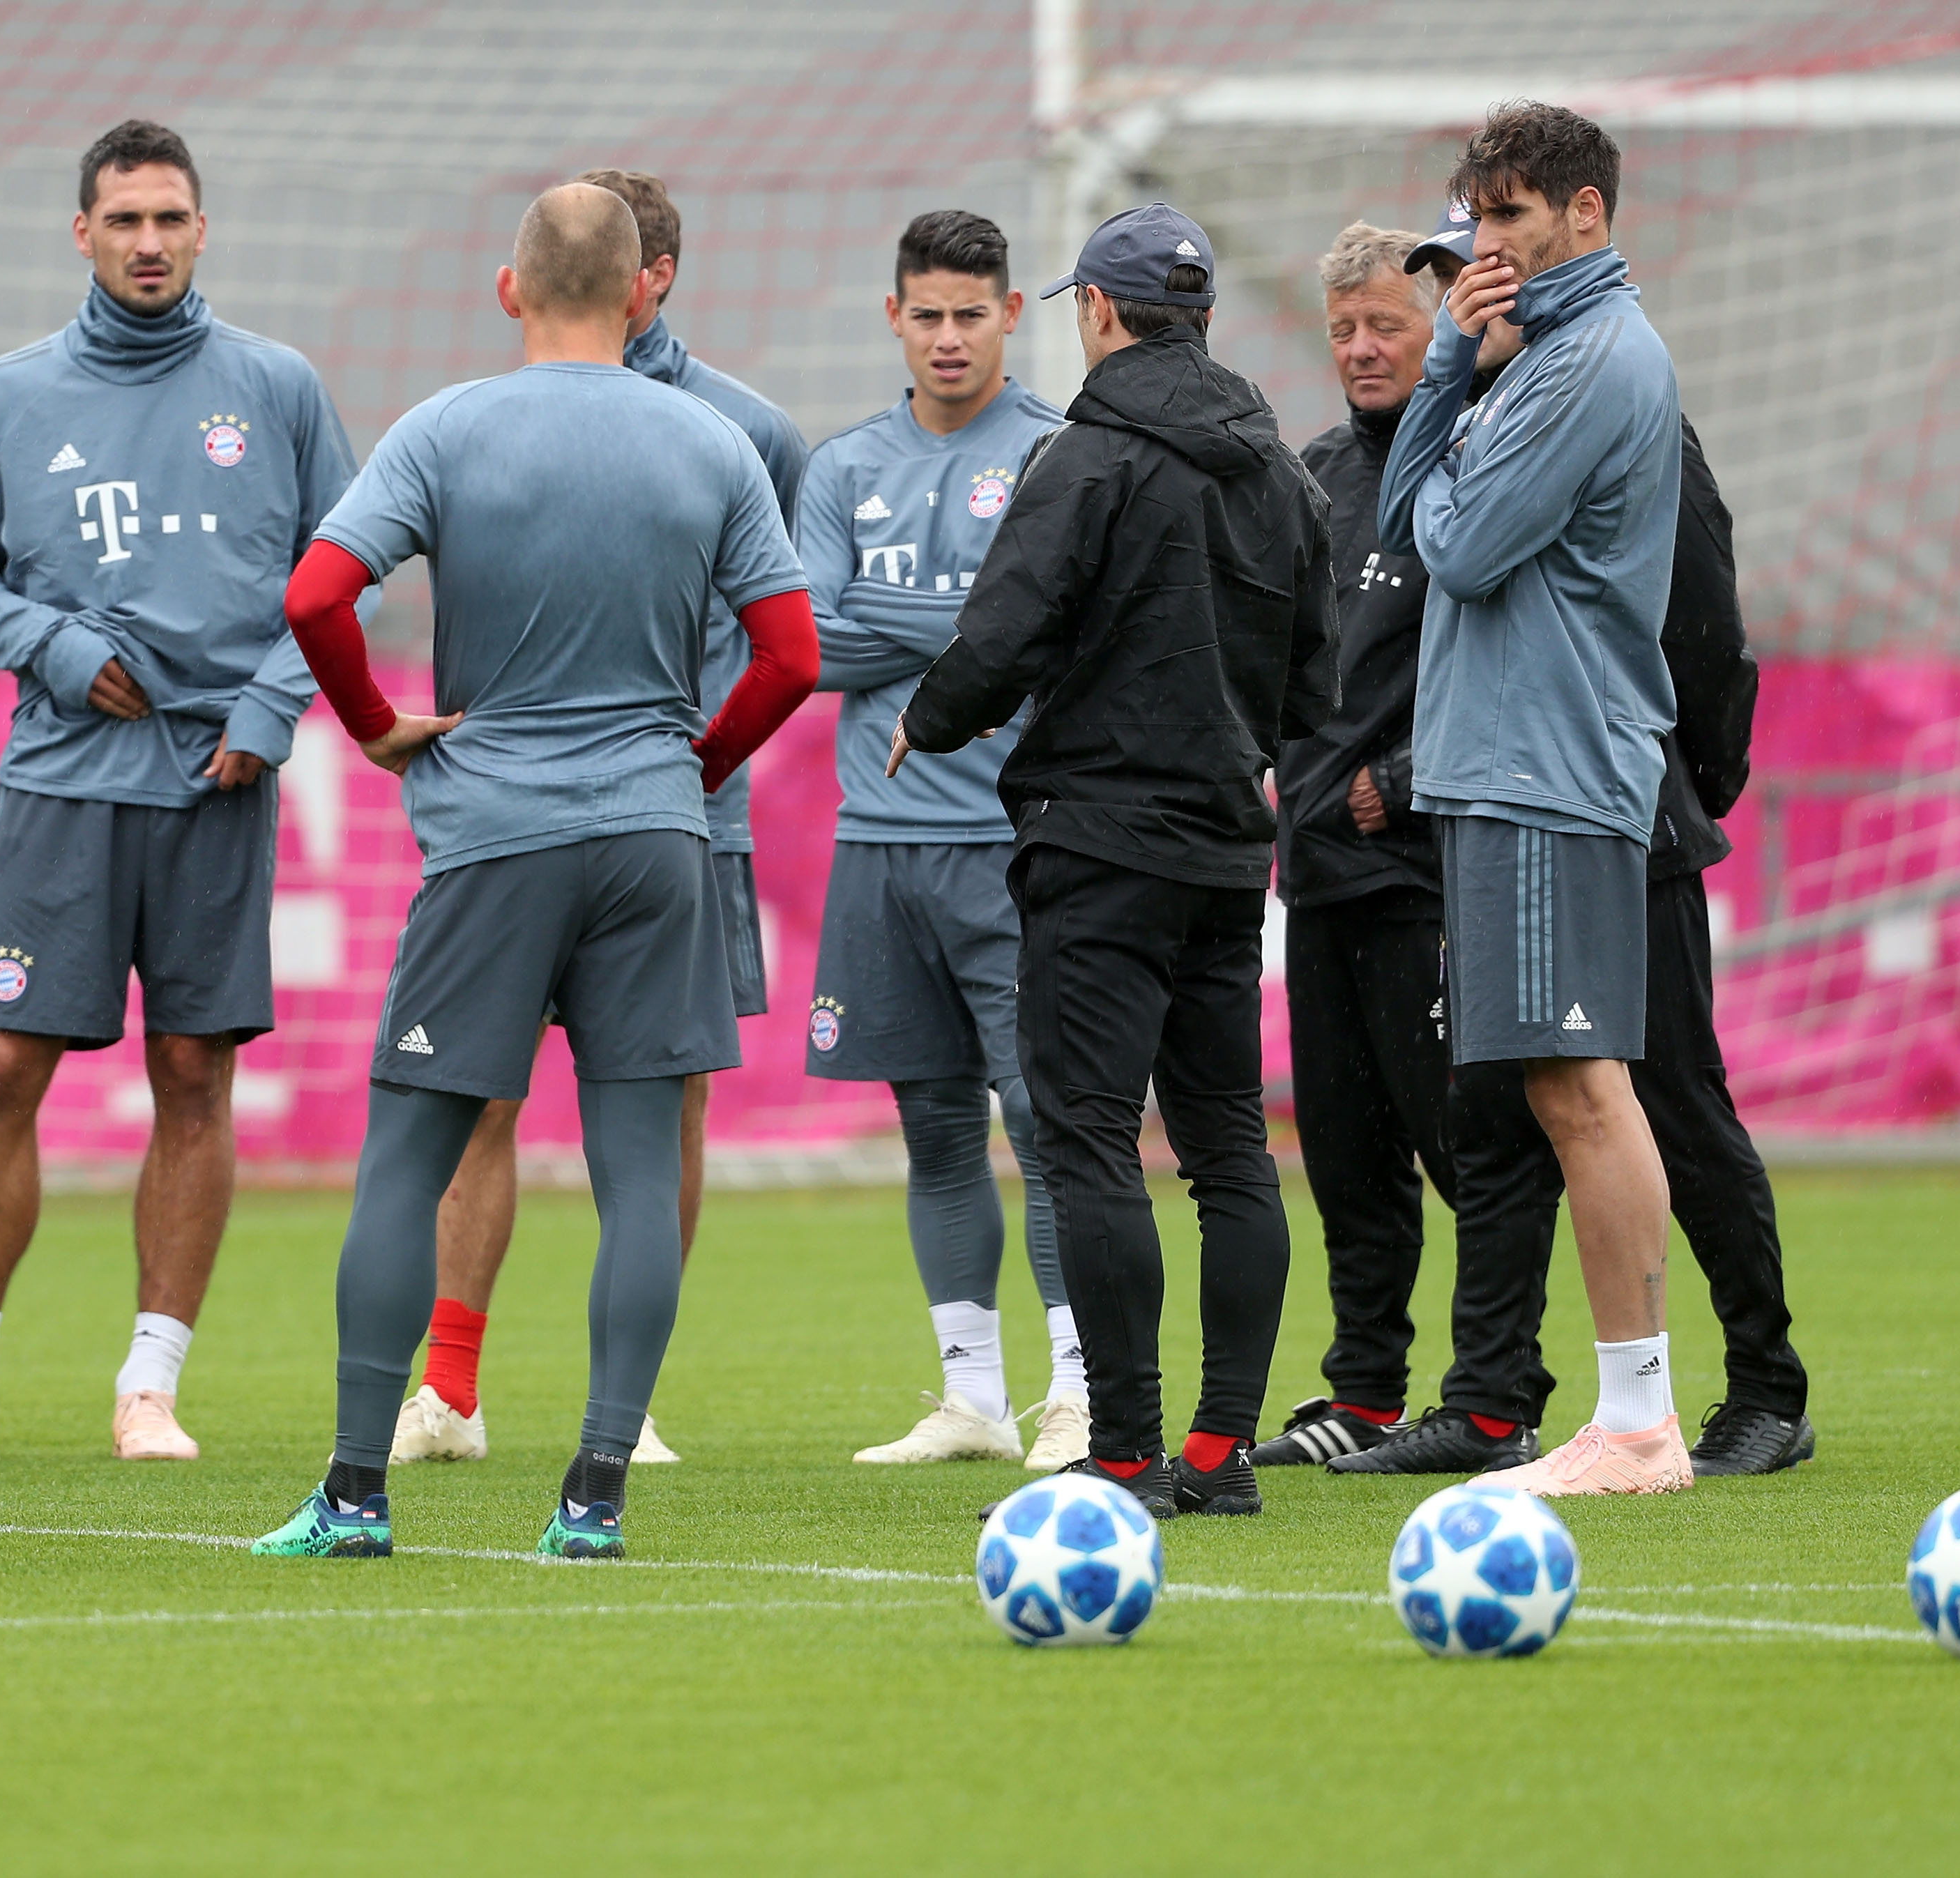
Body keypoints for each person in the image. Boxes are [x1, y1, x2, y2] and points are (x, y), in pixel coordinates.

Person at [251, 181, 816, 1560]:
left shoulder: (444, 428)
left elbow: (317, 598)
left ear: (511, 290)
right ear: (639, 292)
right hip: (650, 838)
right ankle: (593, 1498)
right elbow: (791, 658)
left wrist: (376, 729)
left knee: (406, 1161)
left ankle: (354, 1496)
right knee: (635, 1173)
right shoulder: (712, 441)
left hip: (494, 842)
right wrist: (694, 765)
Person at [0, 119, 354, 1466]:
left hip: (219, 777)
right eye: (123, 220)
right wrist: (58, 645)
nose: (148, 242)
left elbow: (345, 570)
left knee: (194, 1073)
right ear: (82, 234)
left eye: (169, 218)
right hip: (63, 781)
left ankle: (150, 1386)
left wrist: (275, 705)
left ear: (203, 231)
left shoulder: (276, 388)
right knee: (3, 1074)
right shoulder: (13, 394)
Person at [1327, 206, 1813, 1479]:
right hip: (1496, 805)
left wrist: (1687, 783)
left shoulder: (1613, 408)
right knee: (1500, 1109)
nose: (1463, 301)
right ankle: (1496, 1395)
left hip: (1615, 806)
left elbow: (1703, 626)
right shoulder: (1455, 427)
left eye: (1468, 275)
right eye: (1443, 283)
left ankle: (1764, 1381)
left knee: (1672, 1098)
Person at [898, 201, 1332, 1520]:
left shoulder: (1087, 456)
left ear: (1096, 310)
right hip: (1222, 846)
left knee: (1088, 1142)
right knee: (1228, 1152)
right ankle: (1222, 1451)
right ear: (1199, 316)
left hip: (1094, 843)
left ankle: (1129, 1451)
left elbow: (1008, 625)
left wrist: (935, 716)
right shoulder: (1280, 471)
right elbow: (1317, 682)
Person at [394, 166, 806, 1470]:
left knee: (661, 1113)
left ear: (652, 282)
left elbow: (786, 631)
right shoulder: (497, 419)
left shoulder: (748, 430)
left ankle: (632, 1404)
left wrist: (709, 766)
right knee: (486, 1100)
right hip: (588, 812)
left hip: (674, 821)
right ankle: (450, 1386)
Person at [1376, 102, 1694, 1498]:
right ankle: (1632, 1417)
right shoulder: (1526, 357)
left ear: (1581, 213)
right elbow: (1404, 526)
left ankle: (1636, 1422)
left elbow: (1458, 542)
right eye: (1474, 217)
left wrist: (1452, 386)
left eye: (1508, 216)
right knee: (1562, 1087)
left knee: (1580, 1089)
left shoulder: (1587, 361)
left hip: (1546, 765)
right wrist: (1450, 372)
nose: (1482, 246)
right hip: (1508, 763)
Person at [791, 211, 1085, 1469]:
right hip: (881, 841)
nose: (951, 337)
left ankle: (1077, 1388)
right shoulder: (842, 465)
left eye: (974, 313)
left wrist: (894, 614)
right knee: (932, 1125)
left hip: (1010, 843)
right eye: (929, 314)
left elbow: (1055, 639)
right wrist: (969, 622)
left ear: (1012, 317)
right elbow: (807, 645)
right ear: (895, 319)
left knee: (1050, 1117)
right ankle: (973, 1395)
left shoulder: (1058, 458)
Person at [1249, 219, 1540, 1472]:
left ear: (1444, 334)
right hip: (1317, 873)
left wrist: (1405, 783)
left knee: (1472, 1148)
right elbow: (1285, 670)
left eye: (1389, 328)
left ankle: (1496, 1393)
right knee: (1350, 1157)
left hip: (1432, 869)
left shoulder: (1486, 456)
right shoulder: (1310, 477)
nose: (1365, 350)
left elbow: (1533, 654)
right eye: (1346, 332)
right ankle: (1364, 1392)